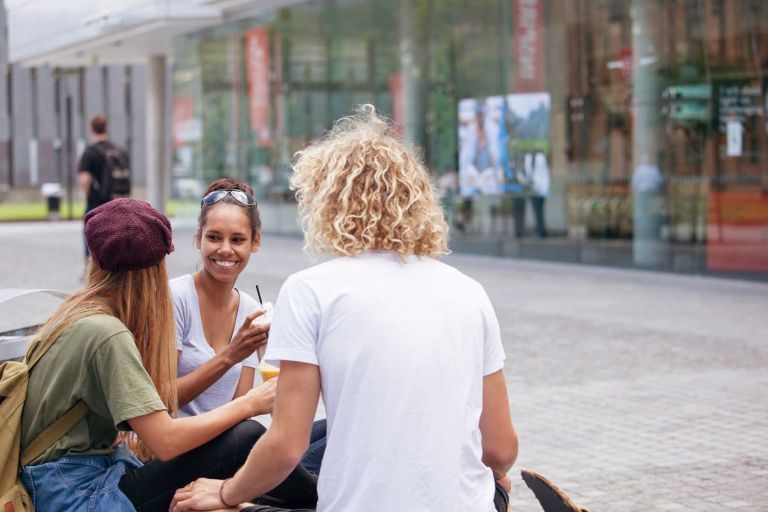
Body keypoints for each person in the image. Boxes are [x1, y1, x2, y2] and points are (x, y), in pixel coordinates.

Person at [171, 105, 518, 512]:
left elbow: (285, 446)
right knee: (500, 483)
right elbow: (500, 448)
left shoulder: (312, 291)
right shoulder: (470, 292)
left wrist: (226, 494)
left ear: (327, 201)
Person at [20, 198, 318, 512]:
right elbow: (165, 442)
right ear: (154, 270)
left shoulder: (75, 314)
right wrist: (251, 404)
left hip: (70, 480)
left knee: (302, 437)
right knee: (248, 435)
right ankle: (332, 498)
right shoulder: (106, 332)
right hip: (80, 495)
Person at [172, 177, 326, 476]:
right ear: (198, 239)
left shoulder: (251, 312)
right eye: (214, 237)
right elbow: (164, 400)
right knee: (262, 442)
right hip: (179, 452)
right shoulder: (175, 298)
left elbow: (240, 408)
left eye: (237, 239)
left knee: (329, 431)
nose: (225, 250)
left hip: (225, 448)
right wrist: (231, 354)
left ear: (255, 242)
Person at [78, 114, 130, 258]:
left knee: (92, 236)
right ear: (106, 128)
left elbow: (84, 179)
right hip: (118, 201)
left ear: (92, 130)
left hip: (97, 202)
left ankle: (92, 271)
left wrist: (88, 196)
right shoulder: (120, 151)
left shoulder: (90, 152)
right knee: (116, 237)